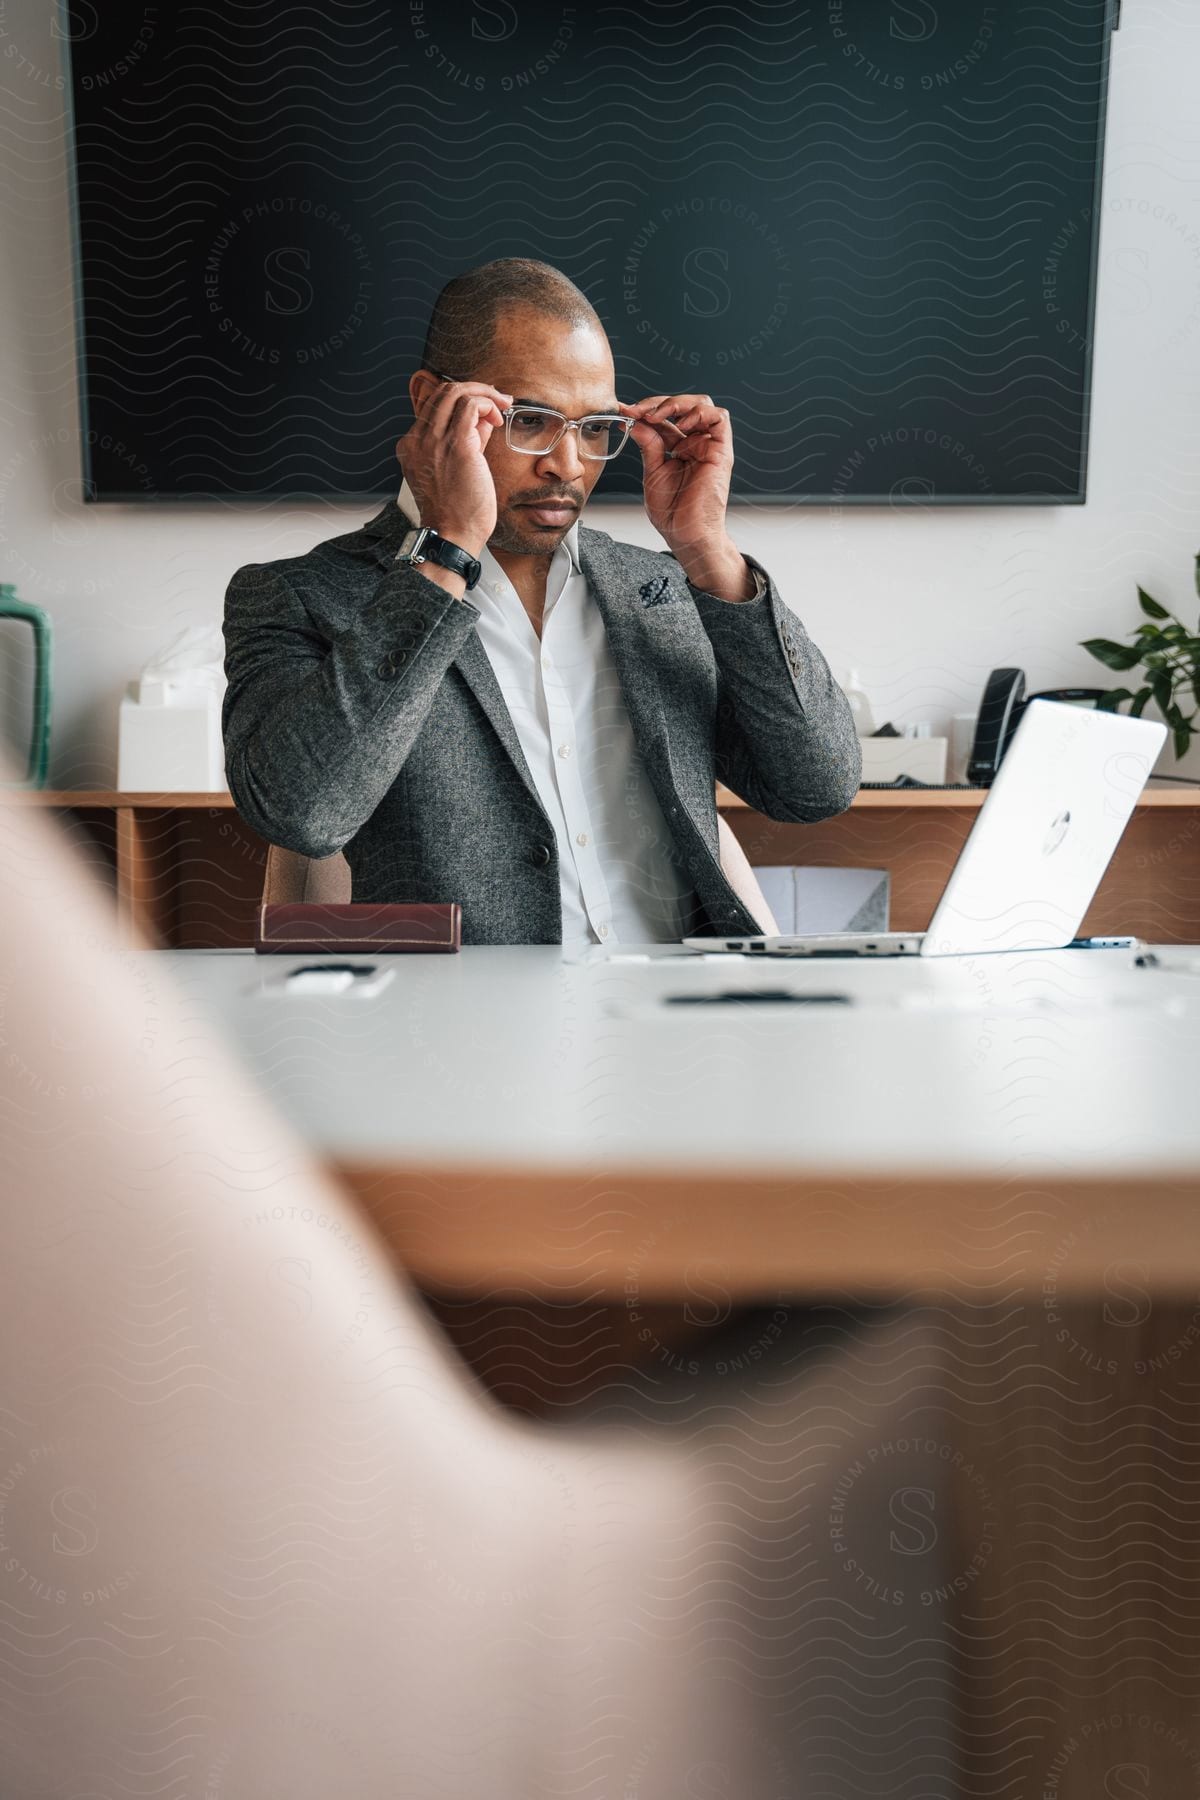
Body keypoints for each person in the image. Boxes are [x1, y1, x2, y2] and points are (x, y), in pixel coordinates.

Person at [0, 770, 957, 1798]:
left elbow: (802, 778)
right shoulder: (326, 608)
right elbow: (306, 809)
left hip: (653, 1045)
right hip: (497, 1565)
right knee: (979, 1311)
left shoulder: (651, 614)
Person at [221, 258, 860, 948]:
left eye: (594, 429)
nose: (569, 465)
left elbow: (815, 787)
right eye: (530, 419)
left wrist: (706, 549)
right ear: (430, 401)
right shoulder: (300, 595)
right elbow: (303, 814)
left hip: (678, 1030)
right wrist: (446, 550)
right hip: (459, 1039)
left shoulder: (665, 589)